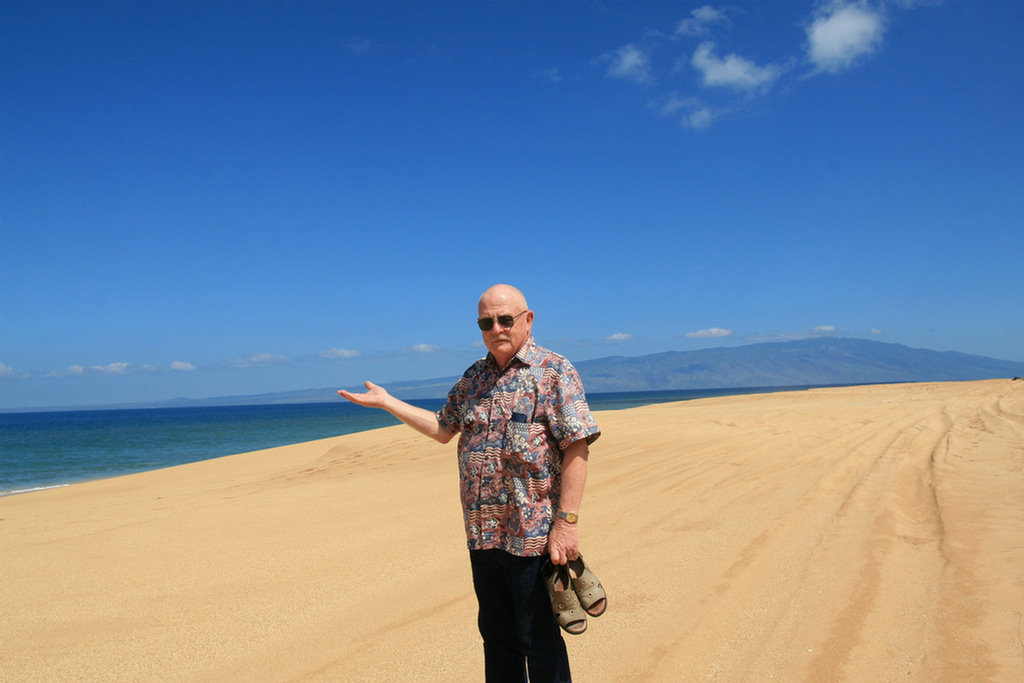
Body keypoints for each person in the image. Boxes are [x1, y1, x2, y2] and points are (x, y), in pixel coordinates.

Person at [338, 283, 601, 683]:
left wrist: (566, 524)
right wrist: (388, 402)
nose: (496, 327)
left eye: (506, 319)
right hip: (483, 537)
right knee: (497, 639)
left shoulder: (553, 371)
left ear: (528, 321)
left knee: (539, 640)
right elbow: (443, 428)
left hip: (531, 537)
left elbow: (577, 446)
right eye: (486, 321)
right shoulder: (474, 378)